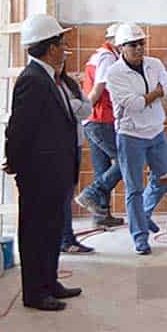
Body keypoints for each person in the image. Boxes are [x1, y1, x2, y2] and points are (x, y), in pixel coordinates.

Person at [4, 14, 82, 311]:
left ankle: (50, 283)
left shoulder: (49, 78)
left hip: (55, 170)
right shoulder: (33, 81)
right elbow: (19, 128)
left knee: (51, 229)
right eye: (62, 44)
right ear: (50, 49)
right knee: (36, 232)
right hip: (39, 173)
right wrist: (15, 163)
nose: (65, 49)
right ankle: (35, 293)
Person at [105, 23, 167, 255]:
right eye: (133, 45)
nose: (139, 48)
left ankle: (144, 214)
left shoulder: (154, 64)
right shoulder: (114, 73)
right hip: (130, 135)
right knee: (134, 189)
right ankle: (140, 237)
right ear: (121, 48)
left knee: (163, 179)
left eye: (141, 43)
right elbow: (135, 104)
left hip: (156, 131)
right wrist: (157, 93)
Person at [74, 23, 125, 229]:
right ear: (115, 41)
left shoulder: (98, 54)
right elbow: (98, 89)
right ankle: (91, 193)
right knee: (126, 160)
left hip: (93, 120)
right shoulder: (108, 57)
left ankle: (101, 214)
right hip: (100, 119)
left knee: (102, 167)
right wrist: (85, 112)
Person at [58, 62, 96, 254]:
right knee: (59, 195)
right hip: (56, 147)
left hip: (75, 144)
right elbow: (59, 110)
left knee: (67, 193)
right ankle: (63, 239)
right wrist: (73, 105)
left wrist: (71, 105)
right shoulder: (40, 82)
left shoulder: (69, 84)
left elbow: (87, 109)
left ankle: (67, 238)